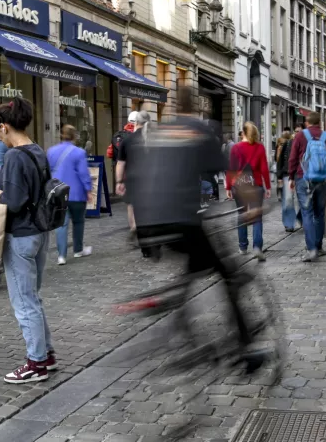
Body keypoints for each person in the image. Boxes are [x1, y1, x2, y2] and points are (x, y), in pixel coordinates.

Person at [129, 87, 261, 359]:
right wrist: (252, 206)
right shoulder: (201, 131)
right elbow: (233, 172)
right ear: (198, 107)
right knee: (229, 274)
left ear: (176, 107)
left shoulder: (160, 132)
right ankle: (245, 348)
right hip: (183, 220)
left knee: (193, 266)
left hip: (149, 223)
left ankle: (182, 320)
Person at [0, 98, 57, 384]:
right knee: (33, 298)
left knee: (24, 301)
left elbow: (12, 202)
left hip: (21, 235)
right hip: (40, 232)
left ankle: (36, 363)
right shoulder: (37, 149)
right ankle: (46, 355)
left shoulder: (13, 156)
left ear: (4, 126)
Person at [288, 111, 326, 262]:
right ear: (320, 123)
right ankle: (319, 246)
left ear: (306, 123)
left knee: (307, 213)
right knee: (319, 213)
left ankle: (311, 249)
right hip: (322, 180)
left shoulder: (300, 136)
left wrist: (291, 177)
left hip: (303, 178)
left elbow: (292, 158)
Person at [49, 124, 92, 265]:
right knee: (78, 221)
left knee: (61, 224)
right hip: (76, 193)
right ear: (74, 136)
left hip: (58, 192)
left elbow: (48, 172)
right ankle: (78, 250)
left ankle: (61, 255)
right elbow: (83, 173)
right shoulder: (79, 152)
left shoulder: (51, 151)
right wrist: (88, 189)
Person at [228, 121, 271, 260]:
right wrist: (268, 186)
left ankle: (242, 246)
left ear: (243, 133)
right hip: (256, 185)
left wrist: (228, 187)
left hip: (239, 186)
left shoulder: (236, 147)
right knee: (257, 217)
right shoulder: (259, 147)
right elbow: (264, 168)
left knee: (242, 214)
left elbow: (231, 169)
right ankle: (257, 247)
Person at [115, 111, 149, 244]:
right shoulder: (153, 139)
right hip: (149, 178)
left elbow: (120, 163)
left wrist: (119, 181)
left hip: (132, 178)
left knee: (131, 205)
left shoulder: (127, 140)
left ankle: (134, 225)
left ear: (136, 123)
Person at [275, 131, 302, 232]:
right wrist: (279, 176)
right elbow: (280, 160)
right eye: (296, 131)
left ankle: (301, 218)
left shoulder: (306, 143)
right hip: (287, 174)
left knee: (303, 200)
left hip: (301, 175)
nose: (297, 134)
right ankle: (289, 223)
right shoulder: (288, 143)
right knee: (288, 200)